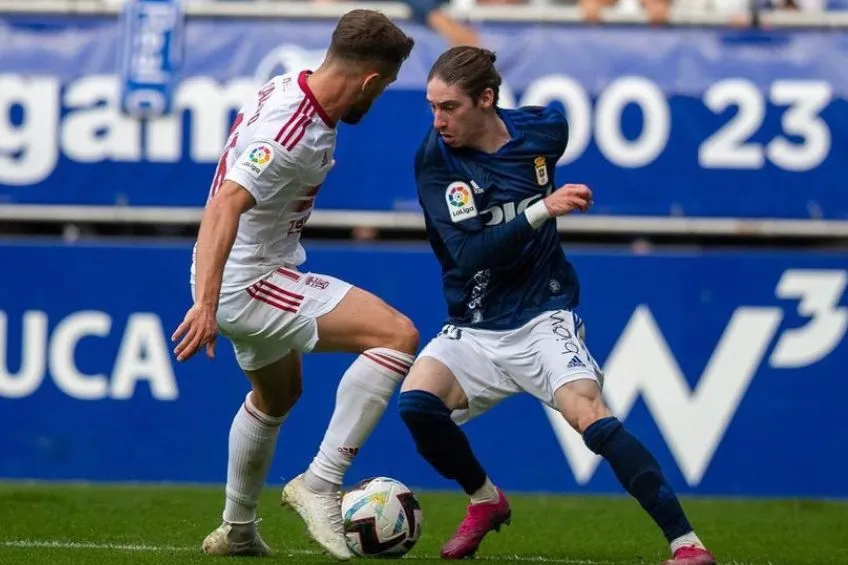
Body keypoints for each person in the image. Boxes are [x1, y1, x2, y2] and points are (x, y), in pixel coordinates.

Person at [397, 46, 717, 565]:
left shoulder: (546, 131)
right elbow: (468, 252)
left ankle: (687, 545)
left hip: (543, 315)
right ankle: (484, 501)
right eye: (432, 107)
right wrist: (544, 208)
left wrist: (544, 203)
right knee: (416, 404)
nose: (438, 120)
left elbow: (541, 151)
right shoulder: (438, 160)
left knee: (590, 415)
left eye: (449, 107)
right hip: (474, 325)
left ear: (487, 99)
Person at [170, 10, 416, 561]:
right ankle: (321, 483)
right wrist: (207, 306)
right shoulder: (291, 134)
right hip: (249, 277)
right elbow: (224, 204)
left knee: (277, 395)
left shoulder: (289, 86)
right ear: (371, 80)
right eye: (384, 89)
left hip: (247, 270)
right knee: (396, 335)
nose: (375, 103)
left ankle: (236, 530)